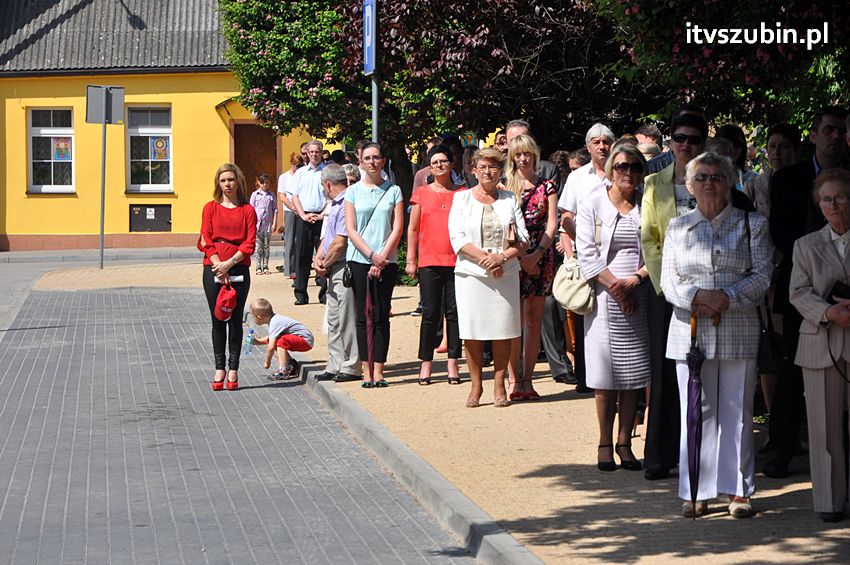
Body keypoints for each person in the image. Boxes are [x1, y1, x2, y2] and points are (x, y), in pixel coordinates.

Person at [661, 151, 773, 519]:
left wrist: (726, 297)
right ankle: (696, 490)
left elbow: (763, 275)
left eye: (717, 176)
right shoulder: (678, 227)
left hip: (738, 327)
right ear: (689, 185)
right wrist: (698, 297)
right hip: (690, 331)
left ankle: (738, 491)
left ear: (729, 183)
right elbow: (668, 281)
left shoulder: (751, 224)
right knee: (696, 412)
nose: (709, 182)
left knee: (737, 412)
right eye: (702, 177)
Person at [765, 106, 848, 478]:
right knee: (793, 370)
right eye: (828, 130)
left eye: (841, 130)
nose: (835, 136)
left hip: (847, 289)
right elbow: (780, 232)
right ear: (813, 136)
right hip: (802, 287)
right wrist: (815, 265)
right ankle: (780, 448)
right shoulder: (788, 179)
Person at [640, 113, 708, 481]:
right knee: (663, 370)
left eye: (694, 139)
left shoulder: (713, 179)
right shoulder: (654, 183)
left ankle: (697, 454)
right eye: (680, 138)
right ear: (670, 141)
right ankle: (658, 455)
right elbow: (649, 239)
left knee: (702, 370)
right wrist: (667, 286)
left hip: (706, 289)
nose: (686, 145)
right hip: (665, 291)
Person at [576, 144, 651, 472]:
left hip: (640, 290)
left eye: (635, 167)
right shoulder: (592, 203)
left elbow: (659, 249)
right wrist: (618, 290)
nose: (628, 173)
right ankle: (604, 442)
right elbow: (586, 254)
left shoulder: (647, 204)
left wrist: (636, 280)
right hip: (605, 296)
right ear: (609, 169)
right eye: (621, 166)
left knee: (633, 374)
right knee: (605, 375)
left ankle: (625, 442)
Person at [789, 168, 850, 523]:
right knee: (824, 429)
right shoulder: (805, 245)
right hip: (820, 342)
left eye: (840, 197)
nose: (833, 205)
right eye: (826, 199)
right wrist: (829, 312)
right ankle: (829, 501)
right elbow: (797, 292)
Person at [449, 147, 529, 408]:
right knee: (472, 332)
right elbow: (457, 238)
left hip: (505, 272)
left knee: (503, 330)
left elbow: (523, 239)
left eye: (493, 167)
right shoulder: (461, 199)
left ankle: (499, 384)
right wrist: (486, 259)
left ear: (500, 170)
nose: (487, 171)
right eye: (482, 167)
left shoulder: (510, 199)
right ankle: (476, 385)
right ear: (473, 170)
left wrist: (501, 258)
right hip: (471, 274)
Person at [558, 123, 616, 395]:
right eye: (596, 142)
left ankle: (616, 377)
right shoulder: (577, 177)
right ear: (588, 146)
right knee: (585, 312)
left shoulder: (622, 172)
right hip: (587, 255)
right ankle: (585, 377)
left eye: (606, 141)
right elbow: (566, 216)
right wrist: (581, 241)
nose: (602, 146)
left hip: (618, 255)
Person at [344, 142, 405, 387]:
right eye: (367, 158)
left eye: (376, 157)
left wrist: (382, 257)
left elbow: (397, 228)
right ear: (360, 161)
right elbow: (351, 229)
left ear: (383, 161)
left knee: (381, 314)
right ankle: (366, 369)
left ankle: (379, 370)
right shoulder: (352, 191)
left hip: (387, 259)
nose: (372, 162)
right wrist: (371, 255)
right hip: (359, 258)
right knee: (362, 315)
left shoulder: (394, 190)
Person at [505, 134, 559, 401]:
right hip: (513, 255)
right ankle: (513, 380)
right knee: (512, 321)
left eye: (527, 153)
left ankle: (528, 379)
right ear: (512, 158)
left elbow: (552, 223)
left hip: (540, 253)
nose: (523, 158)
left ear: (534, 155)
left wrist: (536, 255)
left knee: (533, 320)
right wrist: (522, 257)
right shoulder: (505, 187)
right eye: (518, 154)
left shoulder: (547, 186)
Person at [406, 145, 464, 385]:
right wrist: (411, 259)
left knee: (455, 313)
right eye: (434, 162)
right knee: (430, 313)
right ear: (429, 167)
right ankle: (426, 362)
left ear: (452, 164)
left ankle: (453, 362)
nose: (439, 165)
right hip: (429, 260)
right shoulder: (421, 193)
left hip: (457, 260)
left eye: (443, 161)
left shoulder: (462, 193)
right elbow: (413, 228)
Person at [199, 163, 257, 391]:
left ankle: (233, 369)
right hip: (213, 268)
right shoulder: (210, 208)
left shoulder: (247, 210)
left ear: (238, 181)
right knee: (218, 319)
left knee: (235, 319)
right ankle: (219, 368)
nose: (227, 184)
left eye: (231, 180)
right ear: (218, 184)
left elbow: (249, 243)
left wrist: (229, 264)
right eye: (223, 180)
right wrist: (218, 266)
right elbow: (206, 238)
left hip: (238, 267)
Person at [312, 164, 362, 383]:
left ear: (327, 184)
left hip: (342, 266)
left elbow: (341, 242)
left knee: (346, 317)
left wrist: (325, 263)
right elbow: (329, 236)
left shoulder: (347, 203)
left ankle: (351, 365)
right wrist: (319, 258)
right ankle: (335, 363)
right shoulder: (334, 204)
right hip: (332, 267)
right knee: (333, 318)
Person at [290, 140, 328, 305]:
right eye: (311, 152)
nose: (314, 154)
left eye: (317, 151)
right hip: (303, 218)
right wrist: (303, 215)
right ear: (307, 153)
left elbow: (332, 196)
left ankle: (325, 294)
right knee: (301, 257)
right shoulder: (300, 173)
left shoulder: (327, 172)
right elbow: (295, 196)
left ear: (321, 152)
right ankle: (300, 294)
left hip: (322, 218)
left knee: (324, 256)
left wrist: (322, 215)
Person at [742, 123, 800, 219]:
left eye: (784, 146)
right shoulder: (753, 185)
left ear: (796, 150)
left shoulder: (808, 182)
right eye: (772, 146)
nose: (776, 152)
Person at [249, 298, 314, 379]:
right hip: (302, 339)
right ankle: (290, 364)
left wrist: (267, 362)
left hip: (305, 340)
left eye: (253, 316)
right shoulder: (273, 320)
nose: (252, 319)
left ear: (259, 317)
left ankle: (283, 370)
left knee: (281, 341)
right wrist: (257, 341)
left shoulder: (274, 323)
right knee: (277, 339)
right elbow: (270, 338)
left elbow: (271, 347)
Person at [249, 173, 277, 275]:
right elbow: (251, 210)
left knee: (266, 246)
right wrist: (251, 224)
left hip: (268, 225)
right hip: (257, 224)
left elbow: (275, 210)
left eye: (267, 183)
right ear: (259, 183)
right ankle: (258, 266)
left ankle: (265, 266)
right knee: (258, 246)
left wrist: (274, 223)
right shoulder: (255, 195)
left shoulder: (271, 195)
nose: (265, 185)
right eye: (263, 183)